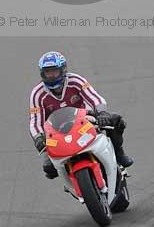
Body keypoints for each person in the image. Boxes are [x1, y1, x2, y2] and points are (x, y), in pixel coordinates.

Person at [29, 51, 133, 179]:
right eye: (48, 72)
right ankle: (68, 179)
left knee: (116, 120)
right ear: (42, 74)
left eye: (54, 71)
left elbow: (94, 97)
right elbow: (35, 121)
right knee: (49, 169)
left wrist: (102, 113)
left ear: (63, 70)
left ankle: (119, 153)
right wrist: (39, 138)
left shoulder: (76, 80)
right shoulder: (37, 93)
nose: (51, 76)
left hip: (83, 118)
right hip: (56, 130)